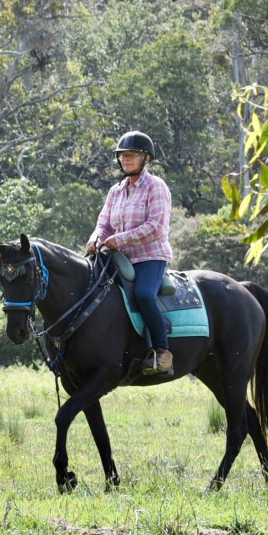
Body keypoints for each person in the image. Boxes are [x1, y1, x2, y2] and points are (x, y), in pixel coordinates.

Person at [84, 130, 174, 376]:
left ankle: (162, 353)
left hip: (149, 257)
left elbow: (157, 226)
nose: (126, 159)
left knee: (145, 295)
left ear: (146, 159)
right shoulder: (115, 191)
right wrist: (95, 239)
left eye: (132, 155)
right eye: (123, 155)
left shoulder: (156, 187)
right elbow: (103, 224)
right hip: (118, 257)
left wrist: (119, 239)